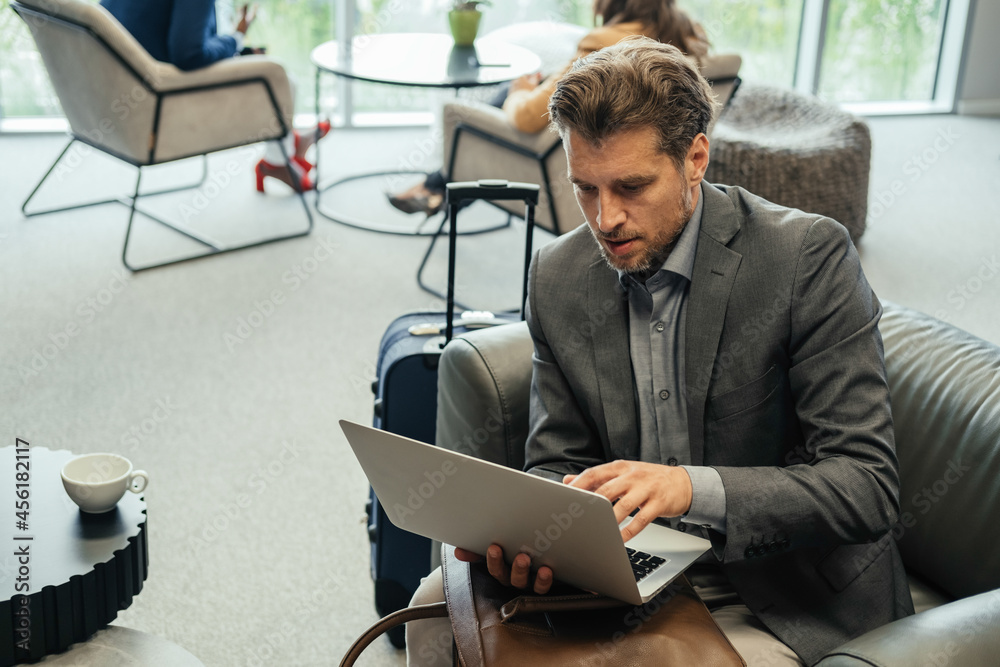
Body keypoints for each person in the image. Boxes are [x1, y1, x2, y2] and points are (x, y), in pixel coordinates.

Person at [406, 37, 914, 666]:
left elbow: (865, 487)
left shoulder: (806, 260)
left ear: (695, 157)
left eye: (631, 186)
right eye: (585, 188)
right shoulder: (559, 275)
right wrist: (535, 538)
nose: (605, 218)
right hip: (628, 570)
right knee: (433, 610)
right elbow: (557, 459)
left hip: (782, 594)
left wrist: (687, 489)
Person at [388, 0, 709, 216]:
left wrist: (520, 92)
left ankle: (437, 186)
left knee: (495, 104)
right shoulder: (689, 37)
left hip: (564, 162)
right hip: (658, 156)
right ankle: (436, 186)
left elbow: (529, 118)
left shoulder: (607, 42)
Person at [100, 0, 329, 193]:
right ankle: (277, 160)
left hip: (115, 103)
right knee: (281, 80)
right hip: (159, 113)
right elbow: (189, 56)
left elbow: (149, 32)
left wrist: (234, 48)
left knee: (255, 66)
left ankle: (290, 143)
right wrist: (236, 38)